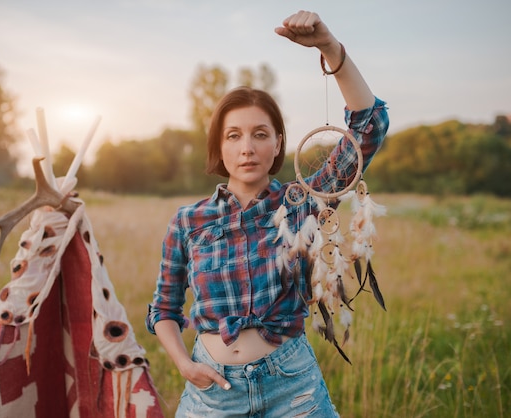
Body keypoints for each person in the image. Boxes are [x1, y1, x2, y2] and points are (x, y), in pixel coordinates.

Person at [146, 10, 389, 417]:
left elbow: (369, 126)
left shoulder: (304, 200)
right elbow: (164, 310)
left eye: (260, 135)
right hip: (213, 395)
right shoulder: (189, 221)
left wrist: (329, 48)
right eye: (234, 136)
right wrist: (184, 365)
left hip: (292, 389)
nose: (247, 148)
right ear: (219, 147)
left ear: (278, 144)